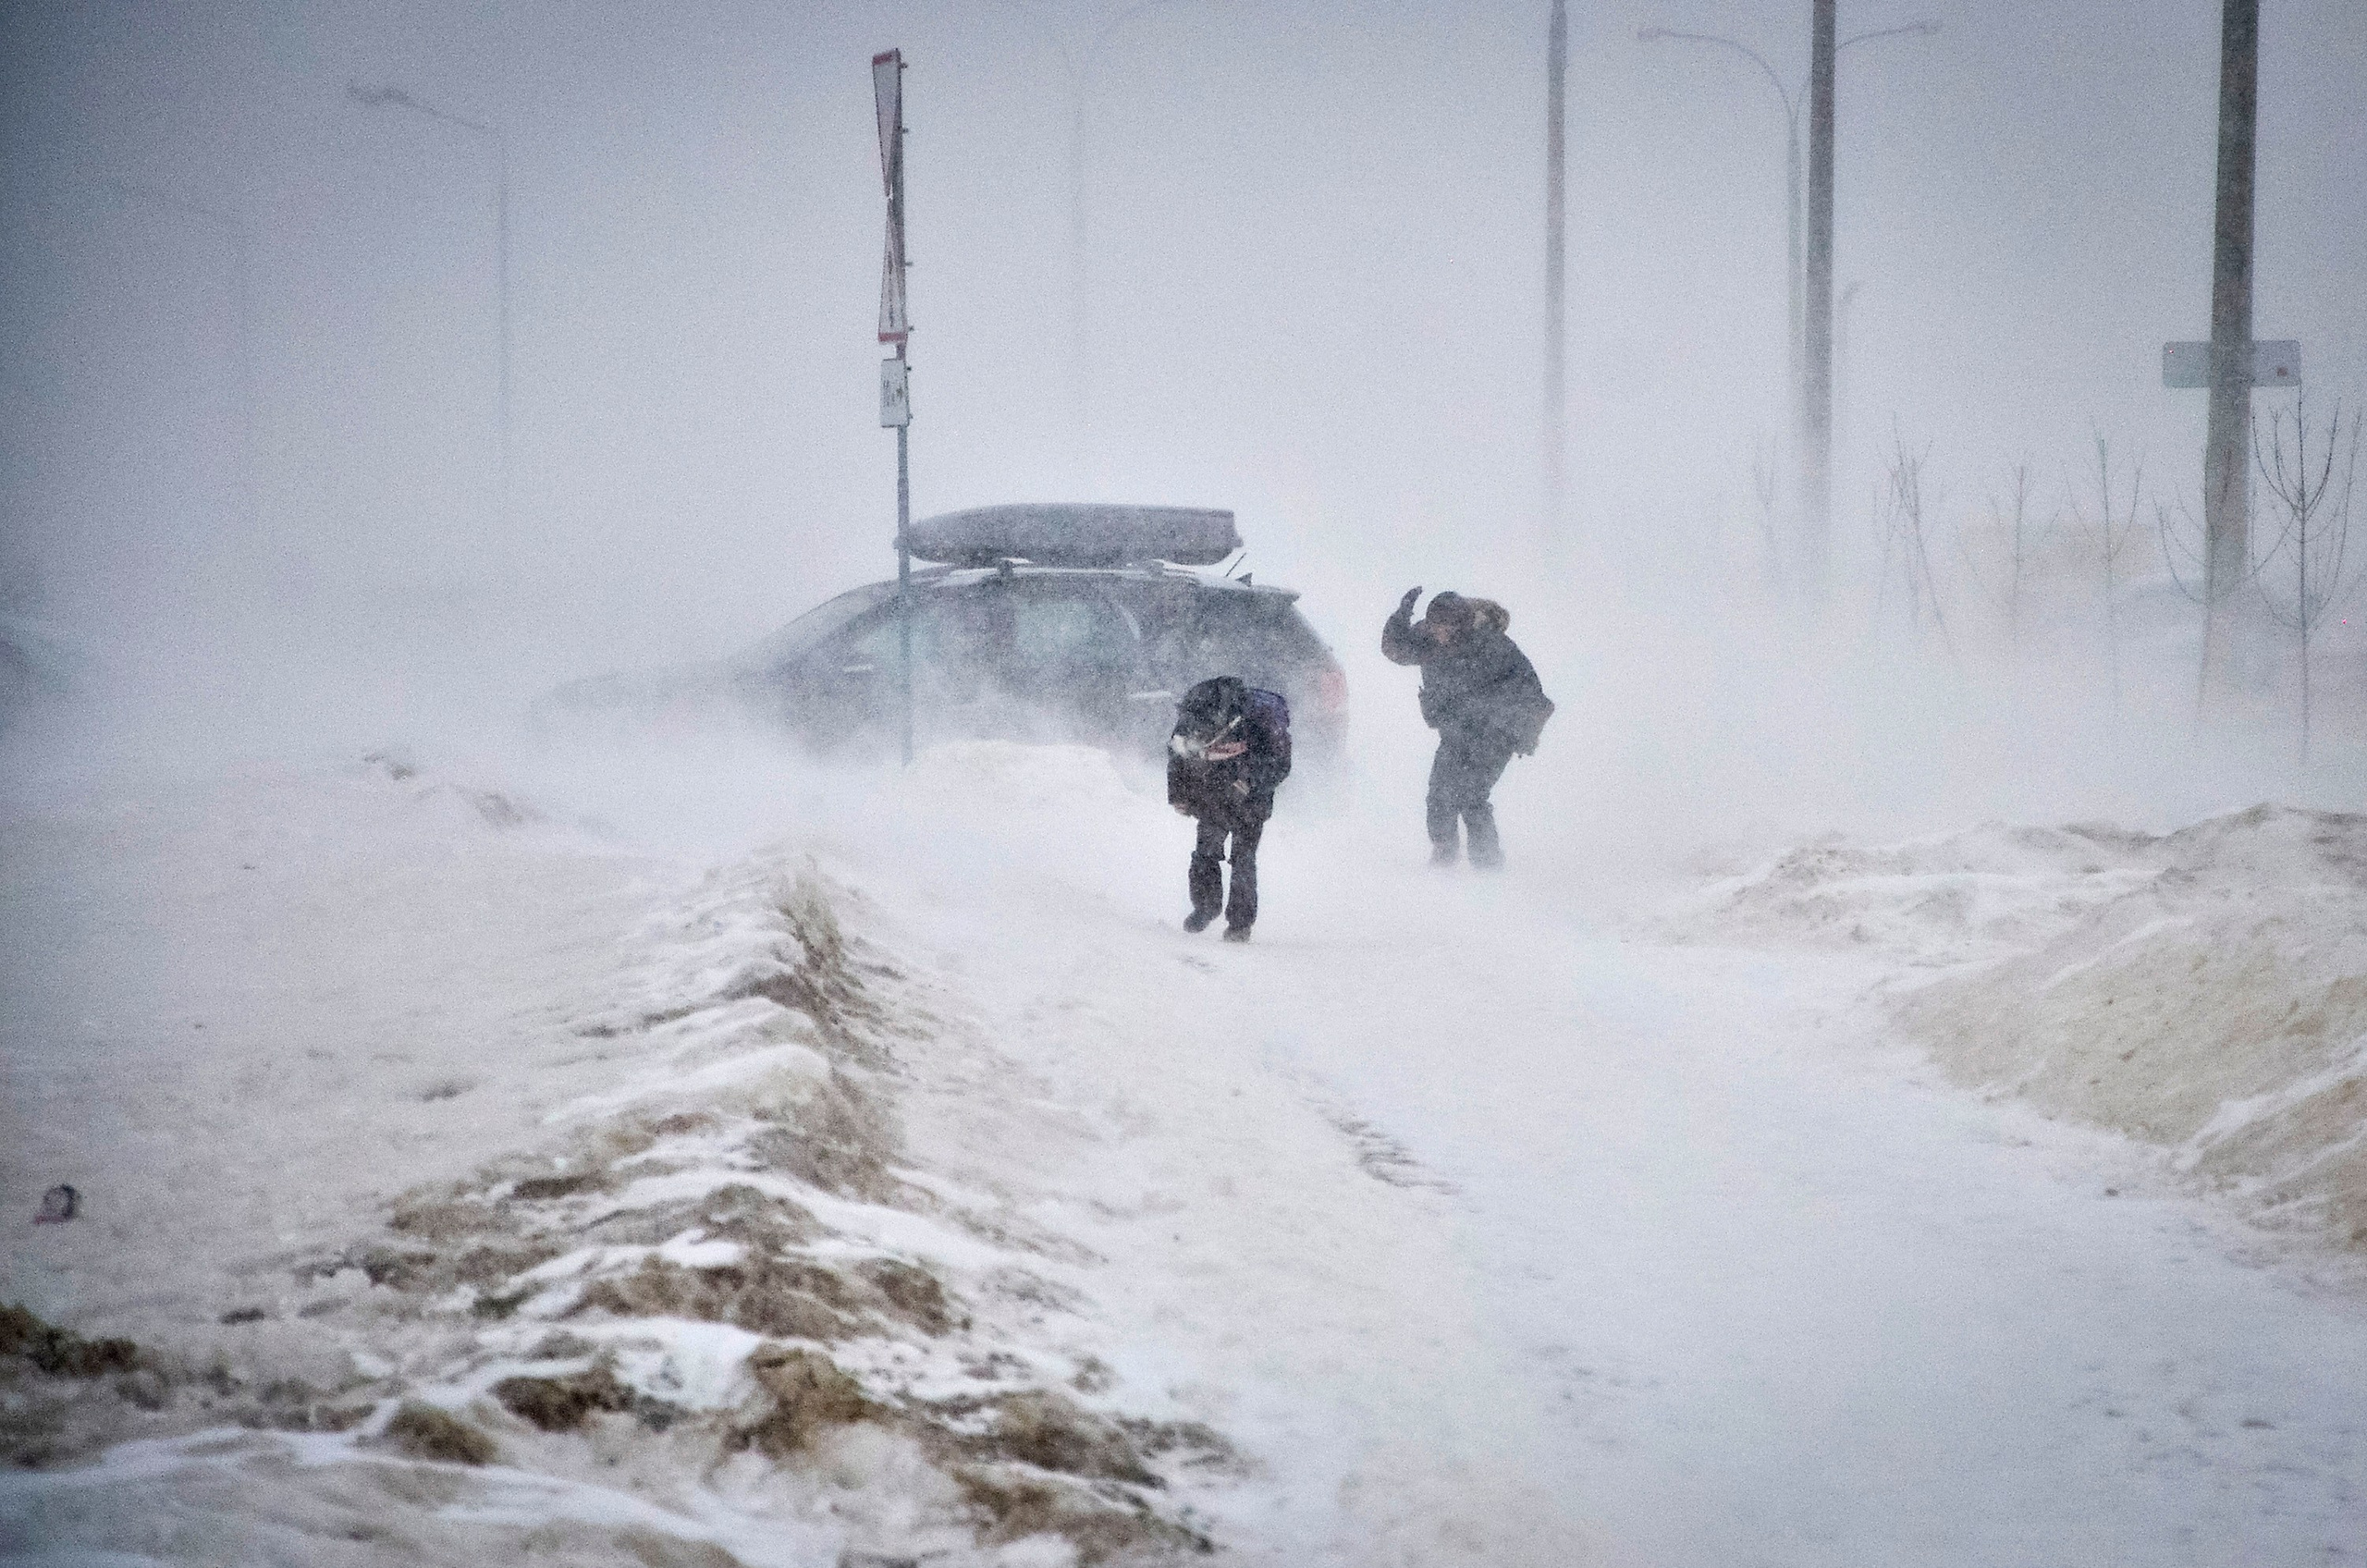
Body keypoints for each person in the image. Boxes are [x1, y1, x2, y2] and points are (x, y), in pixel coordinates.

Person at [1381, 588, 1552, 869]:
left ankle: (1487, 866)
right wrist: (1401, 616)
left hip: (1495, 735)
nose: (1440, 633)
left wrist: (1522, 733)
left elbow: (1532, 694)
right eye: (1435, 625)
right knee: (1439, 793)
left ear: (1461, 624)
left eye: (1446, 627)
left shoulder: (1493, 647)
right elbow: (1396, 650)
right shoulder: (1430, 640)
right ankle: (1444, 853)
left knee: (1472, 797)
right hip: (1455, 731)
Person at [1167, 675, 1293, 941]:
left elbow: (1279, 764)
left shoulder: (1256, 723)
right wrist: (1178, 795)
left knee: (1243, 860)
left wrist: (1249, 783)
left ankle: (1239, 924)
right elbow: (1177, 756)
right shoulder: (1193, 716)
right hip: (1212, 794)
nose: (1198, 734)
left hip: (1252, 803)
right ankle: (1205, 907)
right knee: (1205, 852)